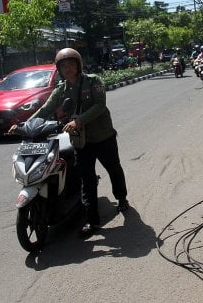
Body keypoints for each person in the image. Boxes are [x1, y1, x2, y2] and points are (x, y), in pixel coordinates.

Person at [10, 48, 129, 236]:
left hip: (103, 136)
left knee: (114, 169)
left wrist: (79, 120)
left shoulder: (93, 81)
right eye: (63, 66)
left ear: (78, 64)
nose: (68, 68)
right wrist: (25, 124)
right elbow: (45, 109)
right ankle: (92, 221)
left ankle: (121, 198)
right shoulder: (61, 90)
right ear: (59, 69)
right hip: (81, 141)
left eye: (71, 64)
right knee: (87, 180)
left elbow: (100, 105)